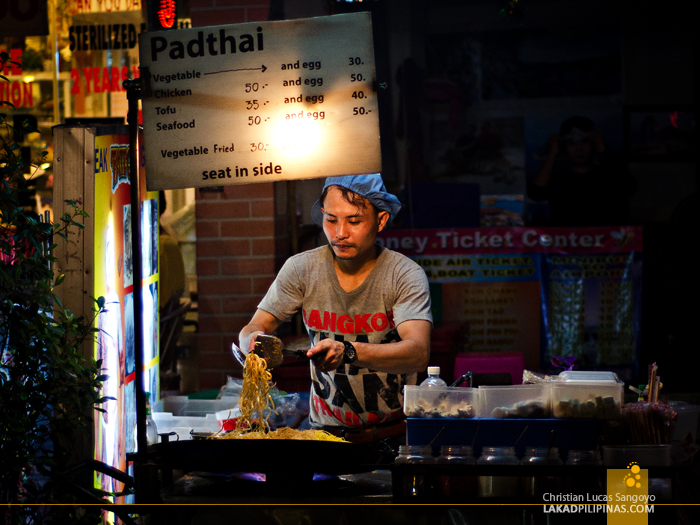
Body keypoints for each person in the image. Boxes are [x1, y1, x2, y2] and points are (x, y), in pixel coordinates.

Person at [238, 174, 433, 445]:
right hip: (325, 436)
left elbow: (418, 352)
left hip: (393, 436)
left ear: (381, 220)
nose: (340, 233)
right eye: (331, 220)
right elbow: (254, 327)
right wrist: (252, 341)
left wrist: (349, 351)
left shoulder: (403, 274)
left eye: (354, 221)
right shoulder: (302, 269)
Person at [528, 116, 636, 227]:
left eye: (585, 142)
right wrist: (552, 152)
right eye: (571, 143)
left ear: (593, 144)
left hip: (603, 241)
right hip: (566, 241)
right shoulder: (557, 177)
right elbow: (535, 192)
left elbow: (629, 188)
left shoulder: (607, 174)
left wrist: (603, 150)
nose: (579, 149)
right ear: (564, 146)